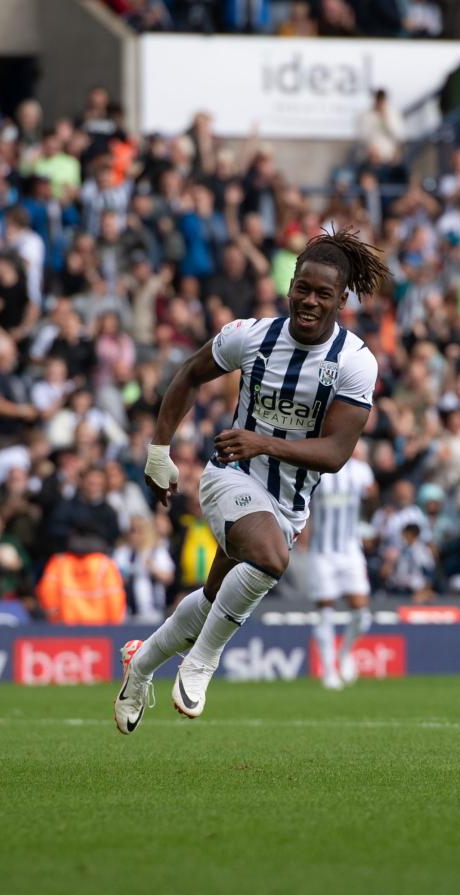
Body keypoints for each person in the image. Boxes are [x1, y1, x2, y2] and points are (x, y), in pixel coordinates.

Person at [116, 231, 386, 734]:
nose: (309, 300)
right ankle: (202, 662)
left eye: (323, 293)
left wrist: (265, 443)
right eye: (302, 288)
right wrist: (158, 452)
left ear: (341, 299)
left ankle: (142, 666)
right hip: (230, 476)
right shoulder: (250, 335)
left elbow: (334, 454)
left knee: (213, 599)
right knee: (270, 558)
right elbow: (189, 374)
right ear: (290, 286)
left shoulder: (354, 362)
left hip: (288, 501)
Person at [308, 441, 376, 690]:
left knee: (361, 613)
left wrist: (370, 524)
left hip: (350, 549)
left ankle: (345, 653)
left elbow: (371, 499)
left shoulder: (361, 470)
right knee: (325, 609)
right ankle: (328, 671)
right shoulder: (316, 470)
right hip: (321, 551)